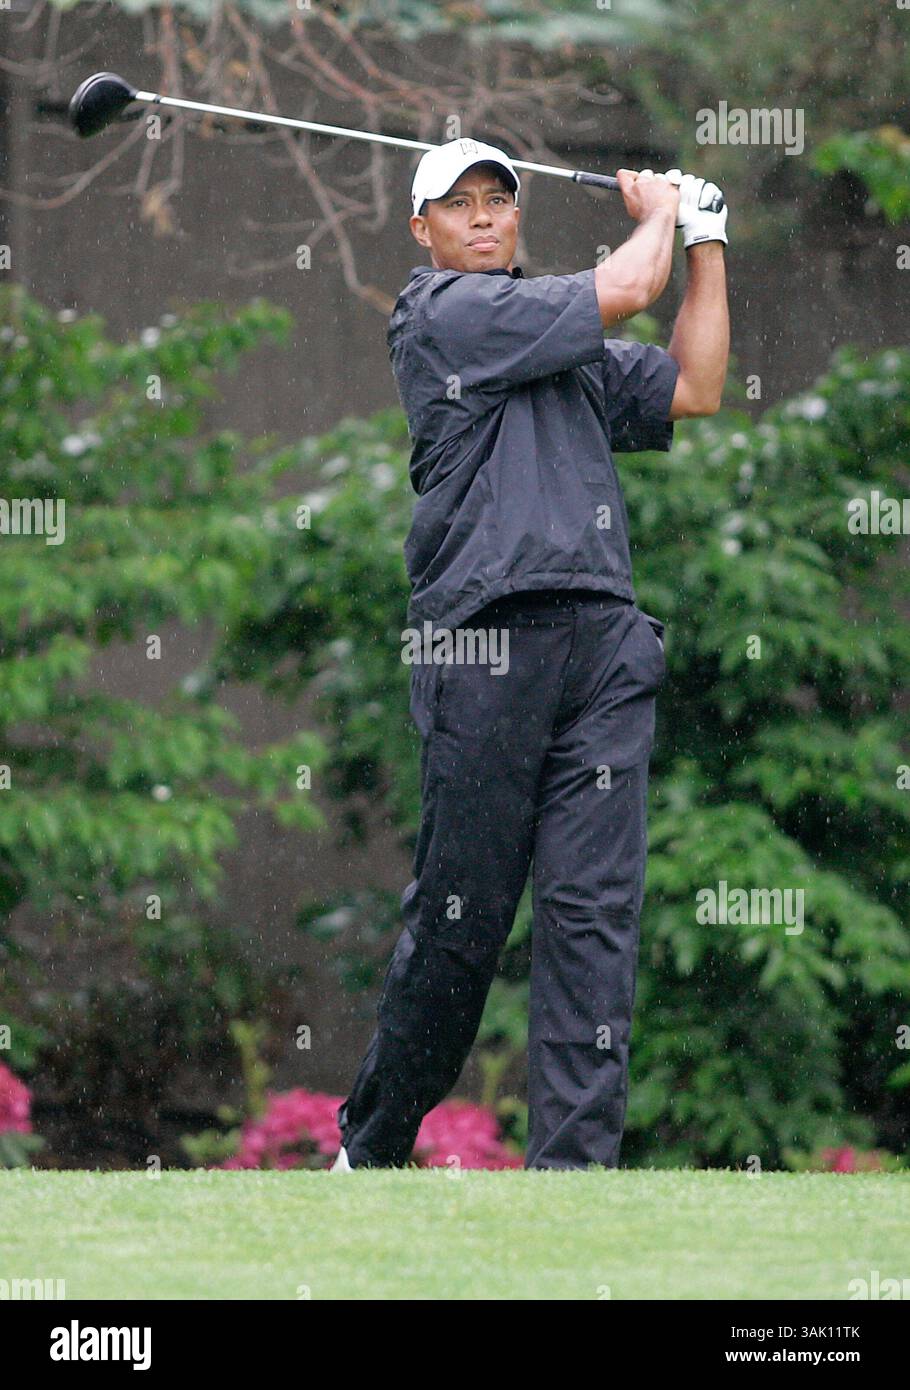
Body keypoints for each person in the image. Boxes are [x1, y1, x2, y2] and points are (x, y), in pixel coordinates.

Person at [333, 137, 729, 1171]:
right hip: (485, 641)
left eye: (497, 200)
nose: (480, 217)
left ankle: (573, 1177)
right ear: (421, 229)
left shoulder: (567, 340)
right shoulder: (438, 314)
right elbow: (626, 288)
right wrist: (661, 212)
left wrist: (709, 243)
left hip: (603, 645)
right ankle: (370, 1147)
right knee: (460, 924)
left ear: (517, 217)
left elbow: (695, 386)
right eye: (456, 203)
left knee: (594, 917)